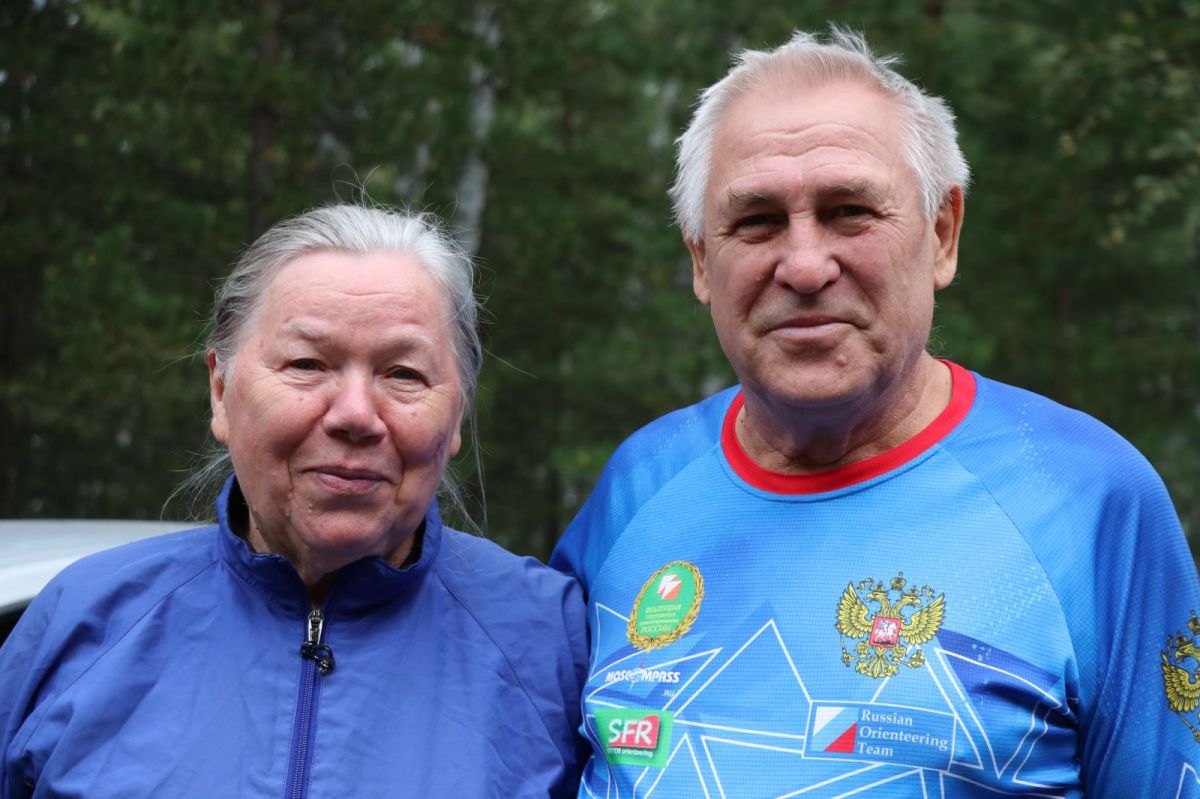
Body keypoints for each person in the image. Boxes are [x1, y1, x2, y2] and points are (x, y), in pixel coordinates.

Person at [551, 27, 1200, 796]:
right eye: (756, 220)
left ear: (942, 234)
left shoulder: (1089, 501)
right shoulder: (637, 488)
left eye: (850, 210)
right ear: (700, 259)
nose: (804, 265)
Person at [0, 205, 587, 797]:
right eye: (307, 364)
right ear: (221, 390)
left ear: (457, 413)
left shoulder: (551, 644)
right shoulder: (82, 622)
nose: (355, 415)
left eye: (404, 374)